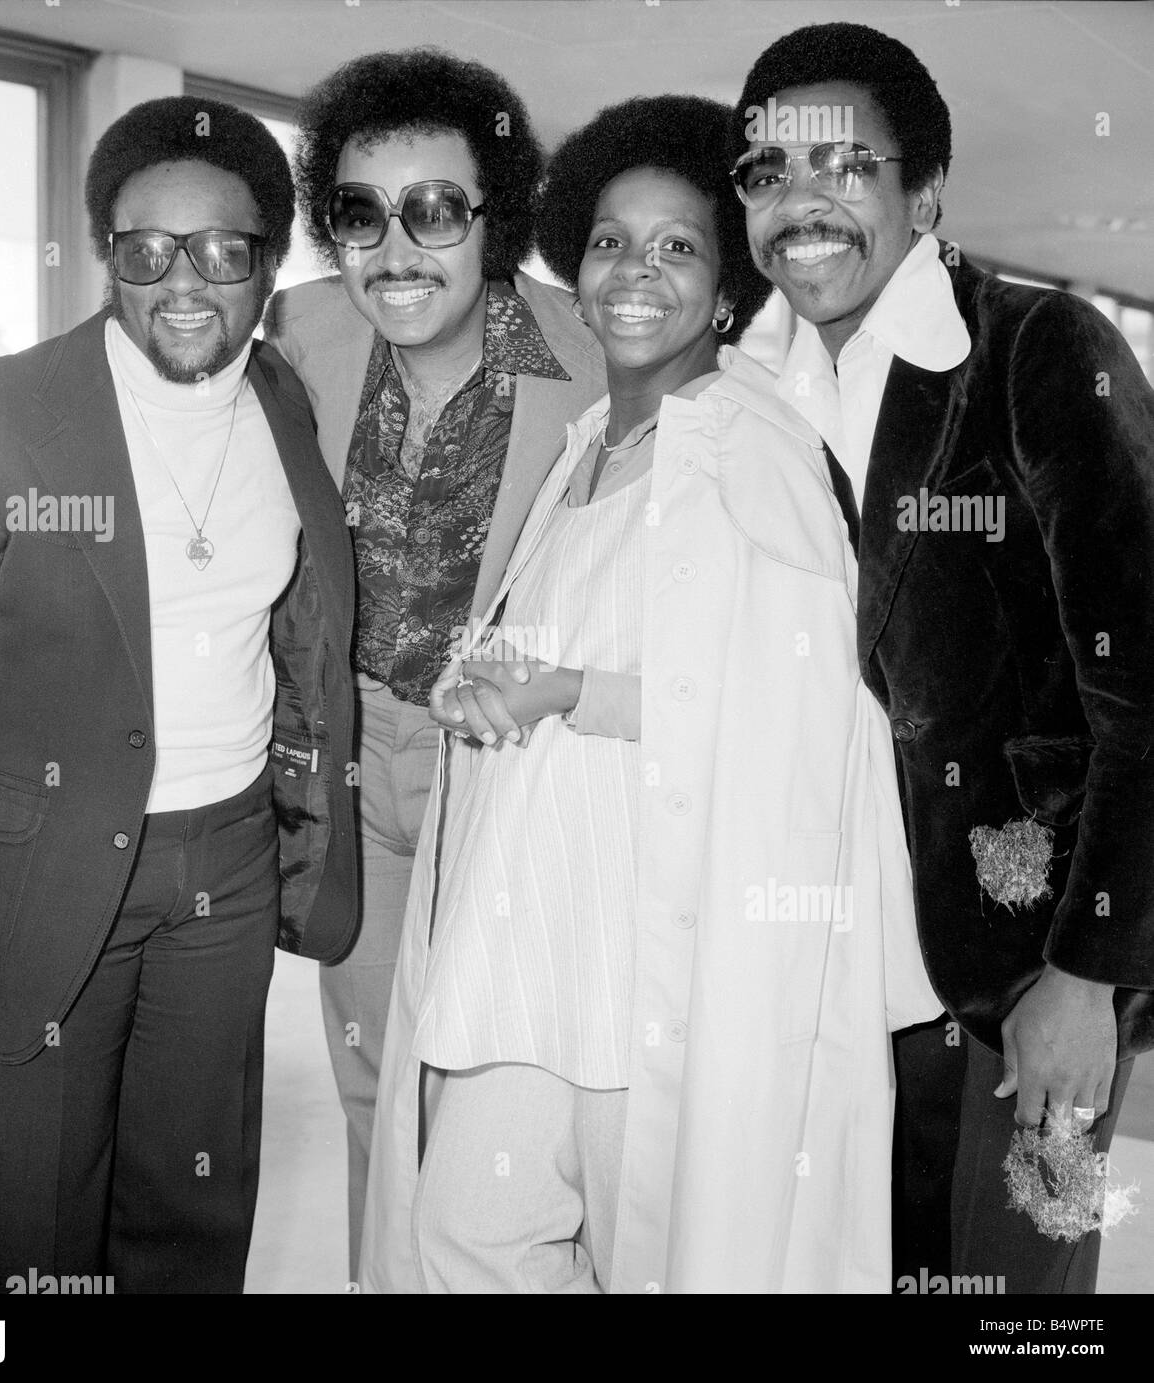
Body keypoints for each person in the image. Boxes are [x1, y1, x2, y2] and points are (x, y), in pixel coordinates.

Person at [361, 94, 940, 1294]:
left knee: (666, 1262)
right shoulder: (584, 447)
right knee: (463, 1240)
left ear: (727, 291)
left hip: (663, 965)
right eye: (612, 243)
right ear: (574, 269)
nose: (638, 271)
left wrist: (570, 689)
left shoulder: (753, 446)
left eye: (678, 246)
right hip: (526, 936)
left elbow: (797, 729)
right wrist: (507, 680)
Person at [0, 96, 356, 1294]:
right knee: (27, 1236)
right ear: (107, 256)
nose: (181, 284)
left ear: (267, 265)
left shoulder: (282, 400)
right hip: (40, 869)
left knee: (191, 1212)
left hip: (223, 873)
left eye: (221, 251)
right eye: (144, 250)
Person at [731, 21, 1154, 1293]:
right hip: (811, 976)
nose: (799, 204)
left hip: (1020, 973)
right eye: (765, 175)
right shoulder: (740, 394)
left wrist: (1088, 975)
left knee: (1013, 1302)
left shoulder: (1035, 349)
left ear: (921, 194)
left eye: (843, 166)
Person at [262, 46, 605, 1276]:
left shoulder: (594, 365)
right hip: (354, 770)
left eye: (436, 209)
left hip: (516, 769)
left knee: (510, 1110)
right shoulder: (300, 334)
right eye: (359, 213)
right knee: (374, 1094)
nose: (395, 249)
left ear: (494, 217)